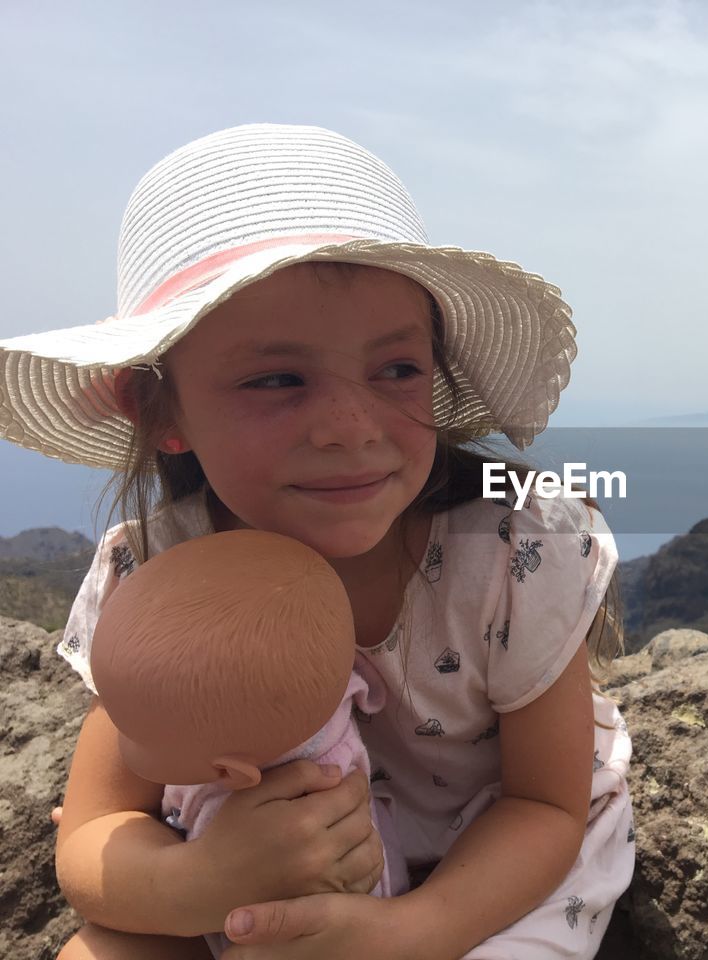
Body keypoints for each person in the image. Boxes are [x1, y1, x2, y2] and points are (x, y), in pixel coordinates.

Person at [0, 123, 633, 960]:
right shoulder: (162, 571)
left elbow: (546, 807)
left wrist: (411, 932)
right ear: (161, 412)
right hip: (246, 866)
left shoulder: (513, 554)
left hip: (484, 874)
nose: (349, 426)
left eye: (396, 370)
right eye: (276, 379)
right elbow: (98, 829)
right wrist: (200, 884)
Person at [89, 528, 411, 959]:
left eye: (132, 734)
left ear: (229, 774)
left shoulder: (235, 805)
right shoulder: (296, 700)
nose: (119, 736)